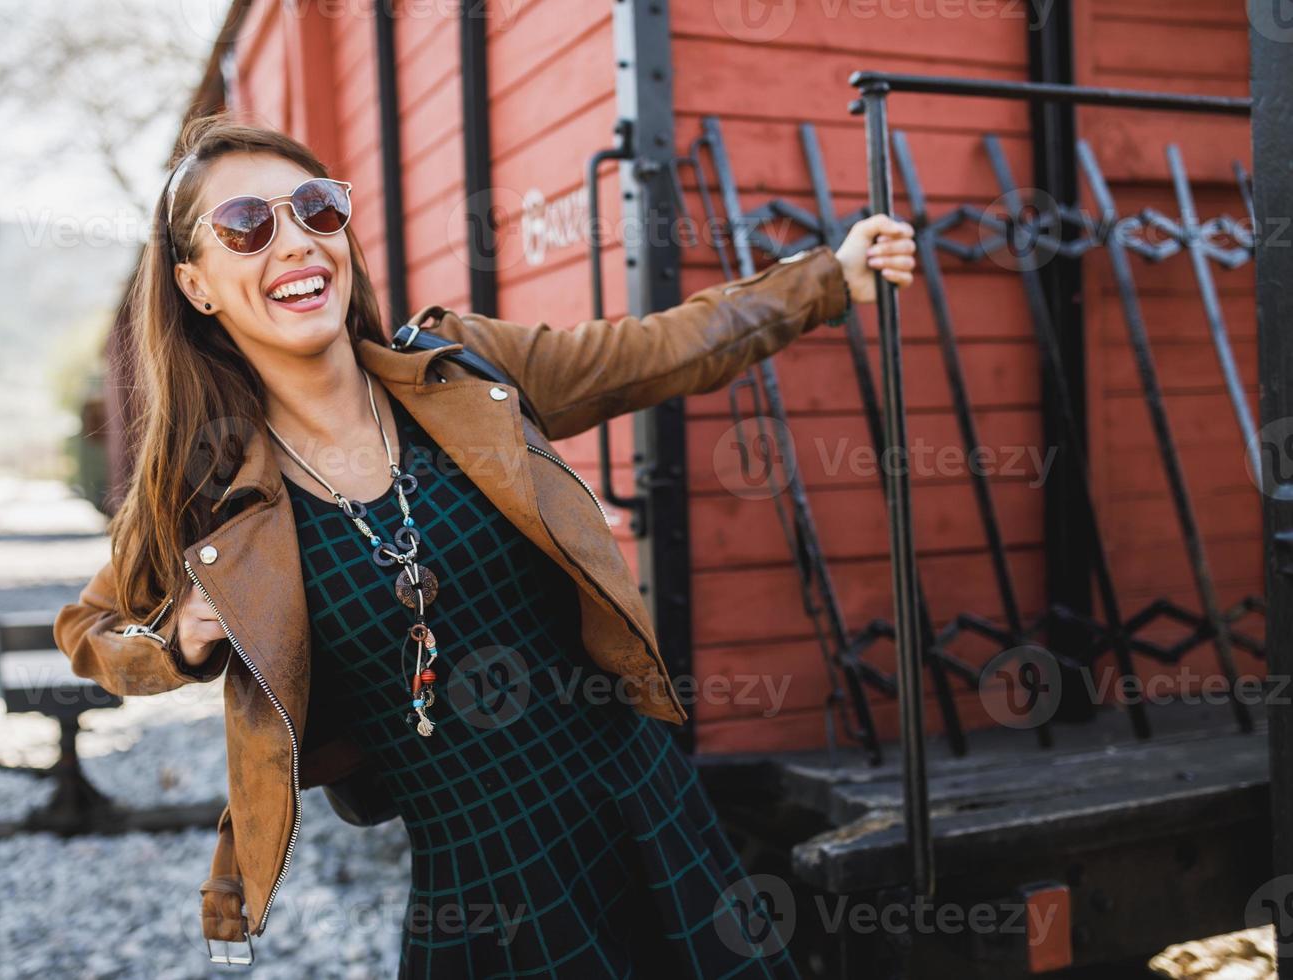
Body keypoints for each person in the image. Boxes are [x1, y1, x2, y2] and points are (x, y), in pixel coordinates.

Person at [53, 112, 915, 977]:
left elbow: (657, 350)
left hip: (645, 810)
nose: (295, 244)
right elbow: (89, 630)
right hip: (483, 883)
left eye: (316, 209)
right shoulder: (207, 495)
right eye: (247, 226)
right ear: (196, 284)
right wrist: (178, 642)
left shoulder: (463, 372)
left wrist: (827, 281)